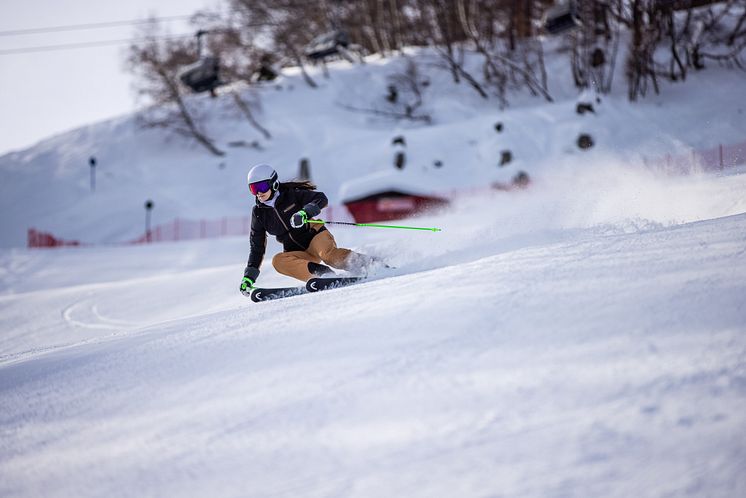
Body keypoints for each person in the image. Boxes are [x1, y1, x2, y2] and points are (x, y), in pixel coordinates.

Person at [240, 163, 377, 293]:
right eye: (253, 189)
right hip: (298, 251)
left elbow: (321, 198)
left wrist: (305, 212)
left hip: (315, 236)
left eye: (262, 187)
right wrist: (249, 276)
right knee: (278, 261)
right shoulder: (259, 213)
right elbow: (257, 247)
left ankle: (369, 264)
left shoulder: (292, 194)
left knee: (328, 256)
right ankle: (323, 275)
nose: (258, 193)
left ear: (273, 183)